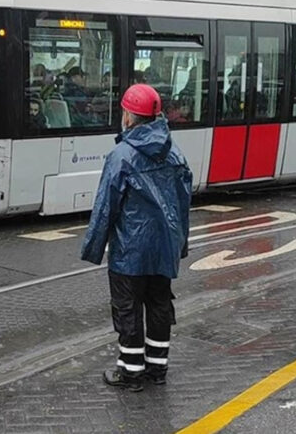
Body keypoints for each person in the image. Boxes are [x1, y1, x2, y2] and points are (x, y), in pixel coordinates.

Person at [81, 84, 192, 392]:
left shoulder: (121, 156)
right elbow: (183, 204)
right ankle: (158, 369)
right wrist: (180, 244)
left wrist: (94, 248)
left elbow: (106, 207)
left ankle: (131, 372)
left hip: (130, 251)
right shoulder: (176, 153)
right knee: (159, 306)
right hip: (164, 248)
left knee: (128, 309)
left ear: (129, 116)